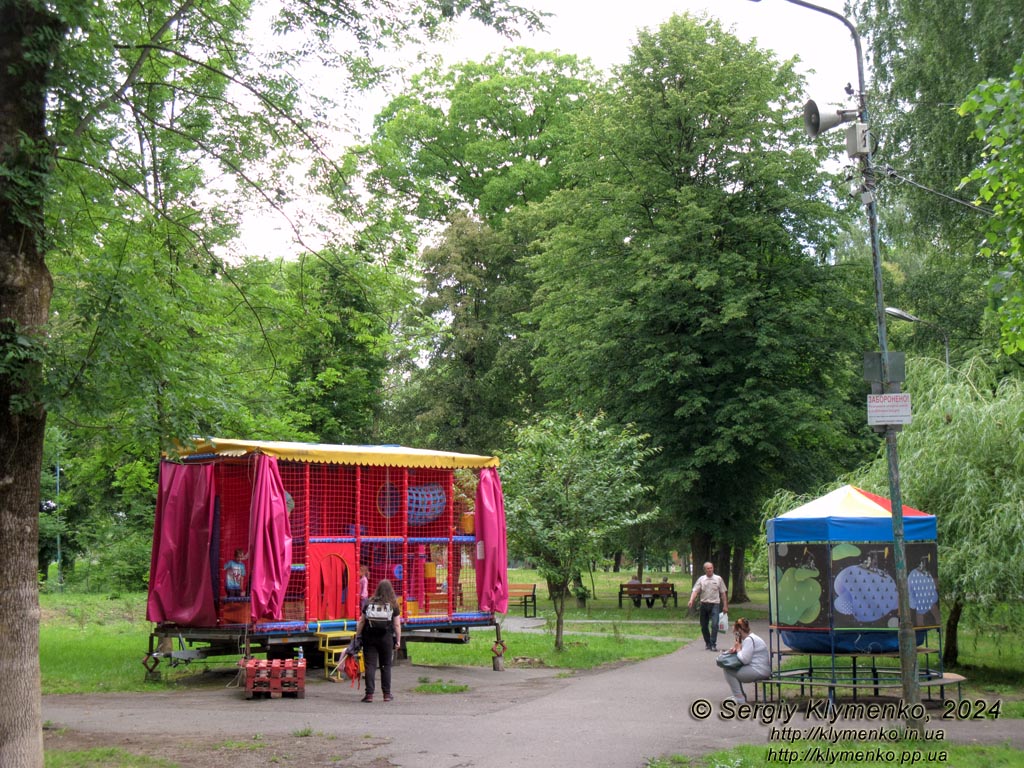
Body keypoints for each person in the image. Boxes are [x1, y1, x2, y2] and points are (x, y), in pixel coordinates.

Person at [355, 579, 401, 703]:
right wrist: (398, 640)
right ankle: (386, 694)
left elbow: (362, 621)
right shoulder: (393, 604)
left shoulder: (369, 602)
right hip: (386, 638)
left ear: (378, 589)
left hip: (369, 638)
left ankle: (369, 695)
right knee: (386, 666)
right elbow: (397, 625)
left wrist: (357, 635)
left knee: (370, 666)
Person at [721, 617, 770, 704]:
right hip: (761, 669)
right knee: (731, 669)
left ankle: (739, 697)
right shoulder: (751, 638)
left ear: (739, 630)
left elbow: (744, 660)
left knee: (728, 670)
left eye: (735, 632)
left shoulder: (749, 640)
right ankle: (739, 695)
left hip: (758, 670)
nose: (735, 635)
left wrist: (739, 649)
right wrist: (736, 649)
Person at [687, 561, 728, 651]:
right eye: (708, 568)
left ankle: (713, 644)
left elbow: (723, 593)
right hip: (704, 605)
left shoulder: (718, 579)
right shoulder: (701, 579)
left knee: (714, 624)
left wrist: (725, 605)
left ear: (713, 568)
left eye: (711, 568)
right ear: (705, 570)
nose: (710, 570)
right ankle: (708, 643)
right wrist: (691, 600)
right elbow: (695, 591)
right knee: (704, 626)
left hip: (715, 605)